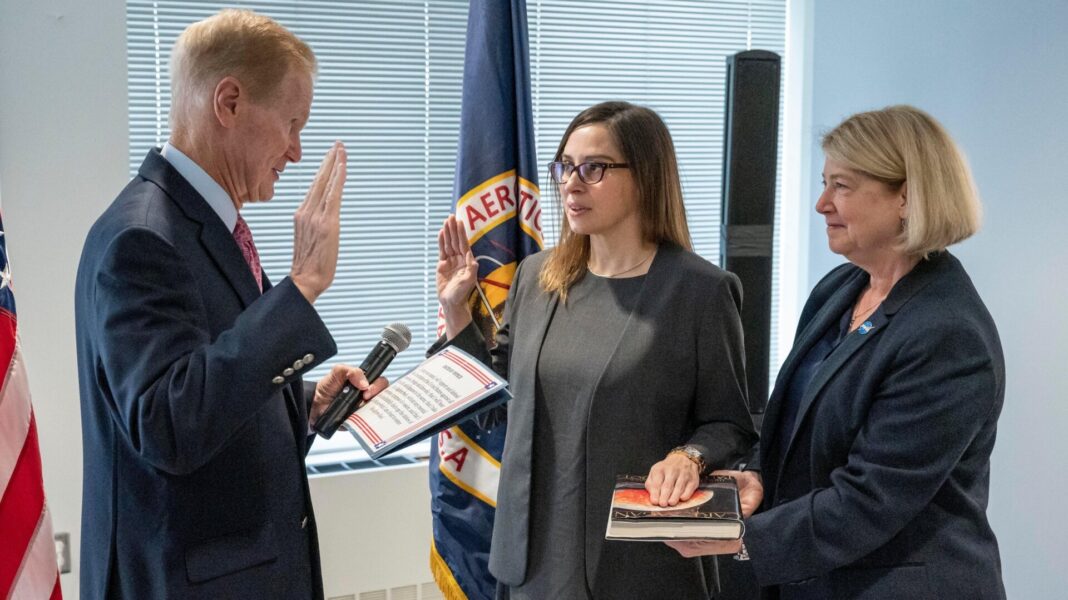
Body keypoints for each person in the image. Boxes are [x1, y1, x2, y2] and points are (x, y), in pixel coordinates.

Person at [75, 10, 385, 599]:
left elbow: (207, 376)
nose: (296, 152)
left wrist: (304, 400)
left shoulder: (205, 222)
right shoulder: (140, 238)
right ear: (230, 101)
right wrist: (299, 290)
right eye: (292, 124)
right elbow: (168, 424)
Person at [668, 105, 1006, 599]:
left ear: (907, 197)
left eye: (841, 186)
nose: (821, 203)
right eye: (825, 183)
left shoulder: (947, 333)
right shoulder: (840, 289)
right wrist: (757, 475)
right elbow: (797, 420)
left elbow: (871, 499)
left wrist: (738, 537)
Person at [434, 101, 757, 599]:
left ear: (646, 177)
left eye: (594, 168)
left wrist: (689, 456)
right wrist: (457, 311)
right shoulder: (537, 278)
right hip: (530, 562)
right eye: (565, 166)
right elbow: (491, 403)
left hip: (637, 564)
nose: (571, 183)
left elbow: (731, 422)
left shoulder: (699, 291)